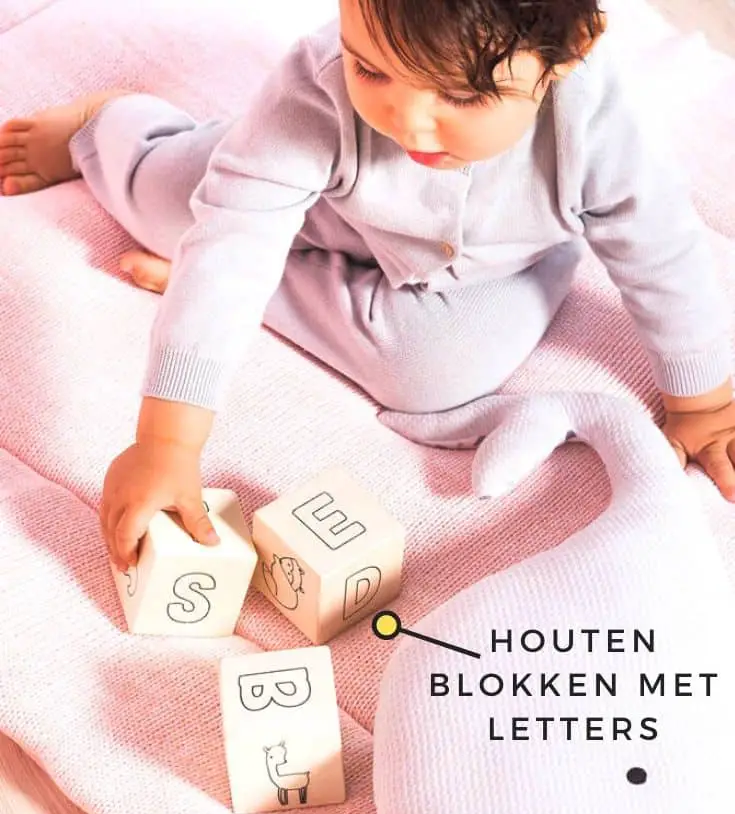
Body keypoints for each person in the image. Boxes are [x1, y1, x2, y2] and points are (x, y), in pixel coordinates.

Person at [2, 0, 734, 572]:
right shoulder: (318, 87)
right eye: (373, 70)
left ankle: (258, 289)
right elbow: (232, 237)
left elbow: (663, 254)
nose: (406, 121)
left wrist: (700, 397)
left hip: (491, 266)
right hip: (320, 203)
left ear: (564, 58)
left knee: (431, 371)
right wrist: (165, 440)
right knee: (171, 206)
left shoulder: (599, 128)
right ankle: (110, 122)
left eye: (460, 95)